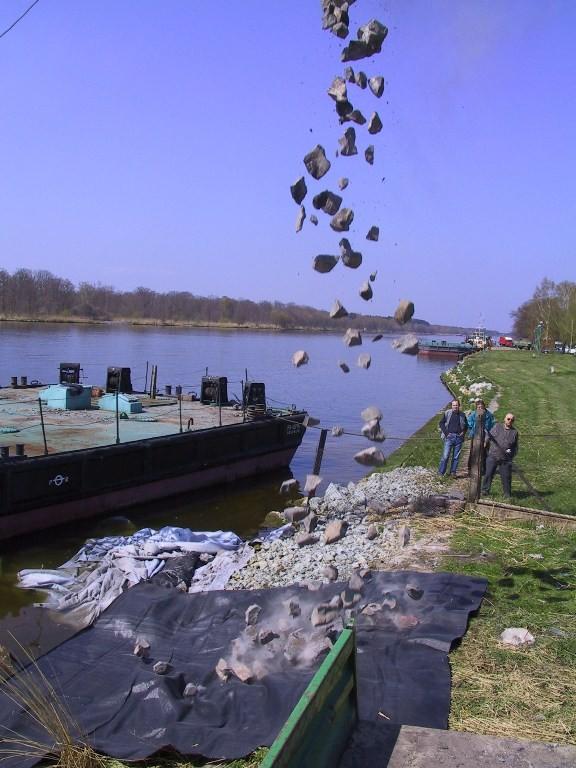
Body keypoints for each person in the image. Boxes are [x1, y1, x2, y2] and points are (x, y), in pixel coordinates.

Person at [481, 413, 519, 498]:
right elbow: (488, 435)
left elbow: (515, 447)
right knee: (488, 474)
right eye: (508, 419)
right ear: (505, 419)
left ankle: (507, 494)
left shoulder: (514, 432)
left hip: (505, 458)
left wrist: (511, 454)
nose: (510, 421)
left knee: (506, 476)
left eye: (512, 420)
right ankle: (485, 490)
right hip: (493, 455)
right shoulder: (497, 427)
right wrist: (485, 442)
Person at [438, 399, 468, 476]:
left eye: (456, 405)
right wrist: (446, 433)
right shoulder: (447, 413)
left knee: (456, 457)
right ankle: (441, 472)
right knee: (445, 456)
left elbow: (466, 426)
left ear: (459, 406)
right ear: (452, 406)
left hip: (459, 438)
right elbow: (441, 423)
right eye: (453, 405)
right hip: (449, 437)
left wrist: (463, 432)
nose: (455, 407)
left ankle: (453, 472)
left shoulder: (463, 415)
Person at [467, 400, 494, 475]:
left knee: (485, 452)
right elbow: (469, 423)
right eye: (478, 407)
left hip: (485, 435)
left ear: (484, 407)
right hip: (475, 434)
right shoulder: (473, 414)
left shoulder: (489, 415)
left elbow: (492, 426)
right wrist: (472, 430)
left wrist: (488, 437)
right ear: (476, 408)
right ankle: (470, 468)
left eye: (481, 407)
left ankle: (484, 469)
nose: (480, 409)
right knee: (473, 451)